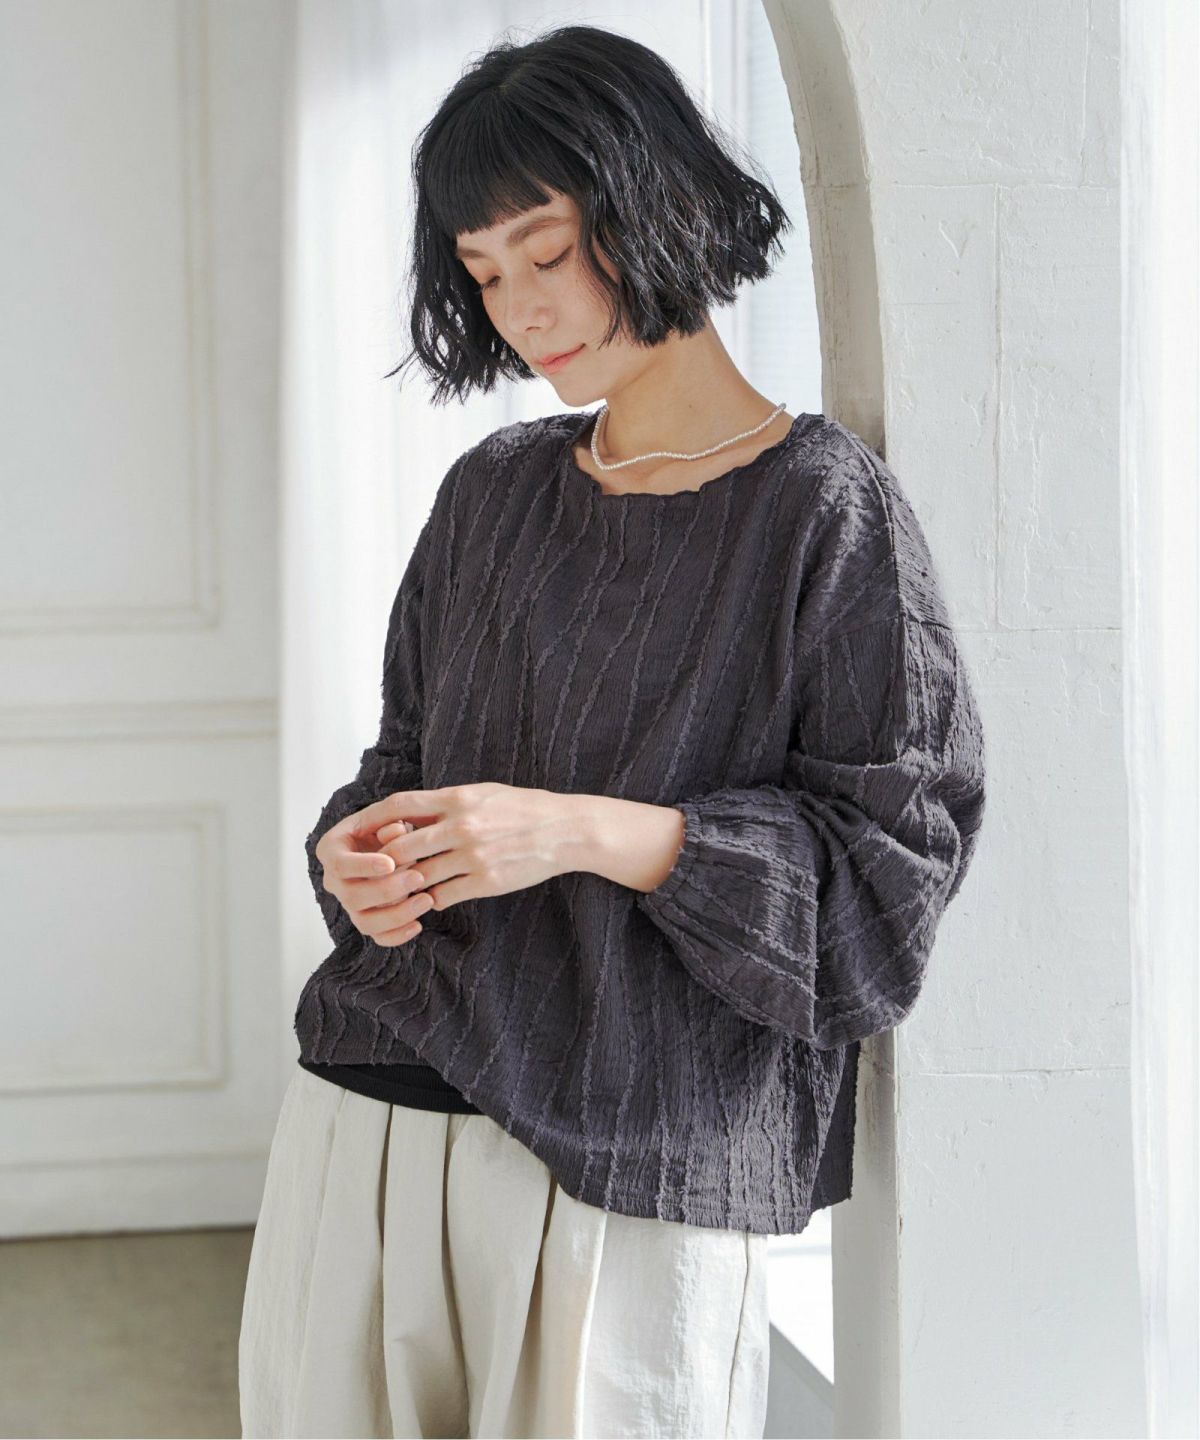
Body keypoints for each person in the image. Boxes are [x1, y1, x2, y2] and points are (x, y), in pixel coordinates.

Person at [239, 22, 987, 1440]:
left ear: (659, 203)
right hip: (376, 1111)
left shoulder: (823, 512)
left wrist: (586, 833)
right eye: (483, 273)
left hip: (642, 1159)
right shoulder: (494, 492)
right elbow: (403, 763)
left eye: (548, 249)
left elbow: (883, 892)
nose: (522, 307)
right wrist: (360, 855)